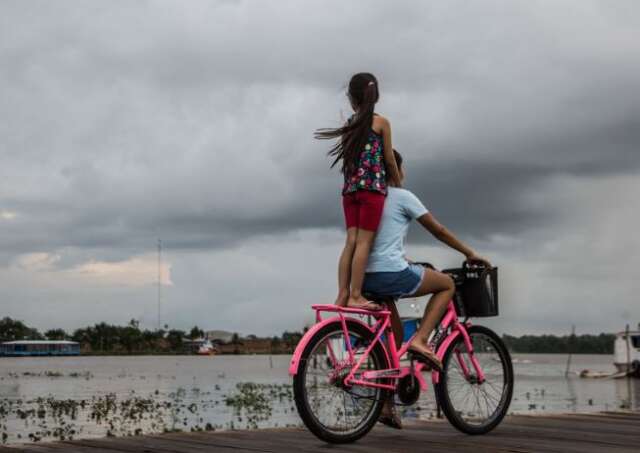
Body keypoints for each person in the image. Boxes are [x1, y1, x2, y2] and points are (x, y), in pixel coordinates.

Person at [360, 150, 490, 428]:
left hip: (365, 278)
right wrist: (469, 253)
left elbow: (375, 242)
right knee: (446, 283)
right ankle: (421, 340)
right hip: (390, 273)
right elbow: (438, 231)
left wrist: (401, 258)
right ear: (396, 170)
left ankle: (384, 407)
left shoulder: (368, 199)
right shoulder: (403, 196)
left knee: (391, 343)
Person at [315, 72, 403, 311]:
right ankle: (356, 295)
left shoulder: (349, 125)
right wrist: (398, 179)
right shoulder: (381, 122)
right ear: (375, 96)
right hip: (372, 189)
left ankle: (342, 294)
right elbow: (388, 157)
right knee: (364, 242)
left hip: (350, 191)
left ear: (352, 99)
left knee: (350, 242)